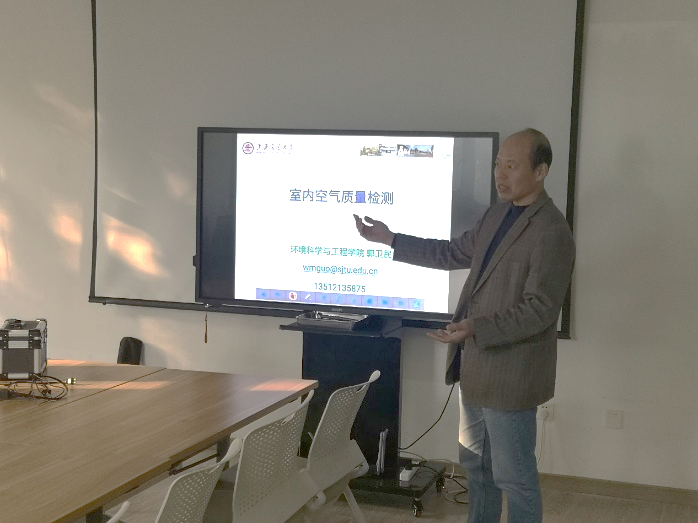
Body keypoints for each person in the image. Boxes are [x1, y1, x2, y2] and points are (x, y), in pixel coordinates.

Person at [353, 129, 575, 523]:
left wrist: (476, 327)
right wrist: (391, 239)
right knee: (476, 466)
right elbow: (451, 252)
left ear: (540, 171)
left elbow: (539, 310)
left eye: (511, 166)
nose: (500, 174)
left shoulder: (551, 231)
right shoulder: (496, 214)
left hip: (512, 375)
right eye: (498, 164)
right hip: (473, 367)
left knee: (515, 477)